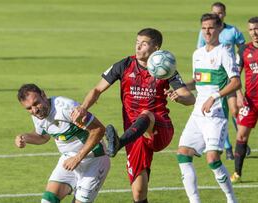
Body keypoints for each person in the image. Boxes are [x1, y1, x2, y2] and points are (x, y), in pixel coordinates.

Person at [71, 28, 195, 203]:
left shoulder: (166, 68)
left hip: (159, 128)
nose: (138, 47)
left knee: (146, 114)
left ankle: (119, 142)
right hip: (134, 134)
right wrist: (83, 107)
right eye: (137, 42)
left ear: (156, 47)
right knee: (138, 193)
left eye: (144, 44)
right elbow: (97, 89)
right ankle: (121, 143)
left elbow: (190, 98)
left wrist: (179, 97)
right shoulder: (124, 65)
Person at [177, 13, 240, 203]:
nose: (207, 31)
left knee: (212, 159)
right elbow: (198, 82)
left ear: (219, 29)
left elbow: (236, 82)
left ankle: (231, 199)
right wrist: (180, 90)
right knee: (182, 154)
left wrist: (214, 97)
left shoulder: (225, 52)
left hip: (216, 114)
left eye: (211, 27)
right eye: (204, 28)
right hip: (198, 114)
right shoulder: (198, 54)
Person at [15, 84, 110, 203]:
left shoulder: (67, 107)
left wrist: (77, 158)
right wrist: (25, 137)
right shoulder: (37, 114)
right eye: (29, 108)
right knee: (48, 201)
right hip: (68, 160)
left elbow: (98, 129)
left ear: (44, 95)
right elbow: (42, 137)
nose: (34, 110)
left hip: (94, 160)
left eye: (36, 103)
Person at [197, 1, 248, 160]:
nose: (216, 15)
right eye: (214, 12)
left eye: (219, 13)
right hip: (214, 78)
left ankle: (241, 140)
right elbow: (200, 50)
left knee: (234, 111)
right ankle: (227, 147)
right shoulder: (206, 31)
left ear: (224, 14)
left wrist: (239, 59)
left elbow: (243, 47)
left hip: (230, 77)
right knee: (219, 113)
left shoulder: (232, 31)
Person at [230, 16, 258, 184]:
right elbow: (235, 75)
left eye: (257, 28)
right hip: (250, 101)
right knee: (241, 135)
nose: (254, 32)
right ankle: (237, 173)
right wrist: (239, 94)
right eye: (251, 29)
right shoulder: (243, 50)